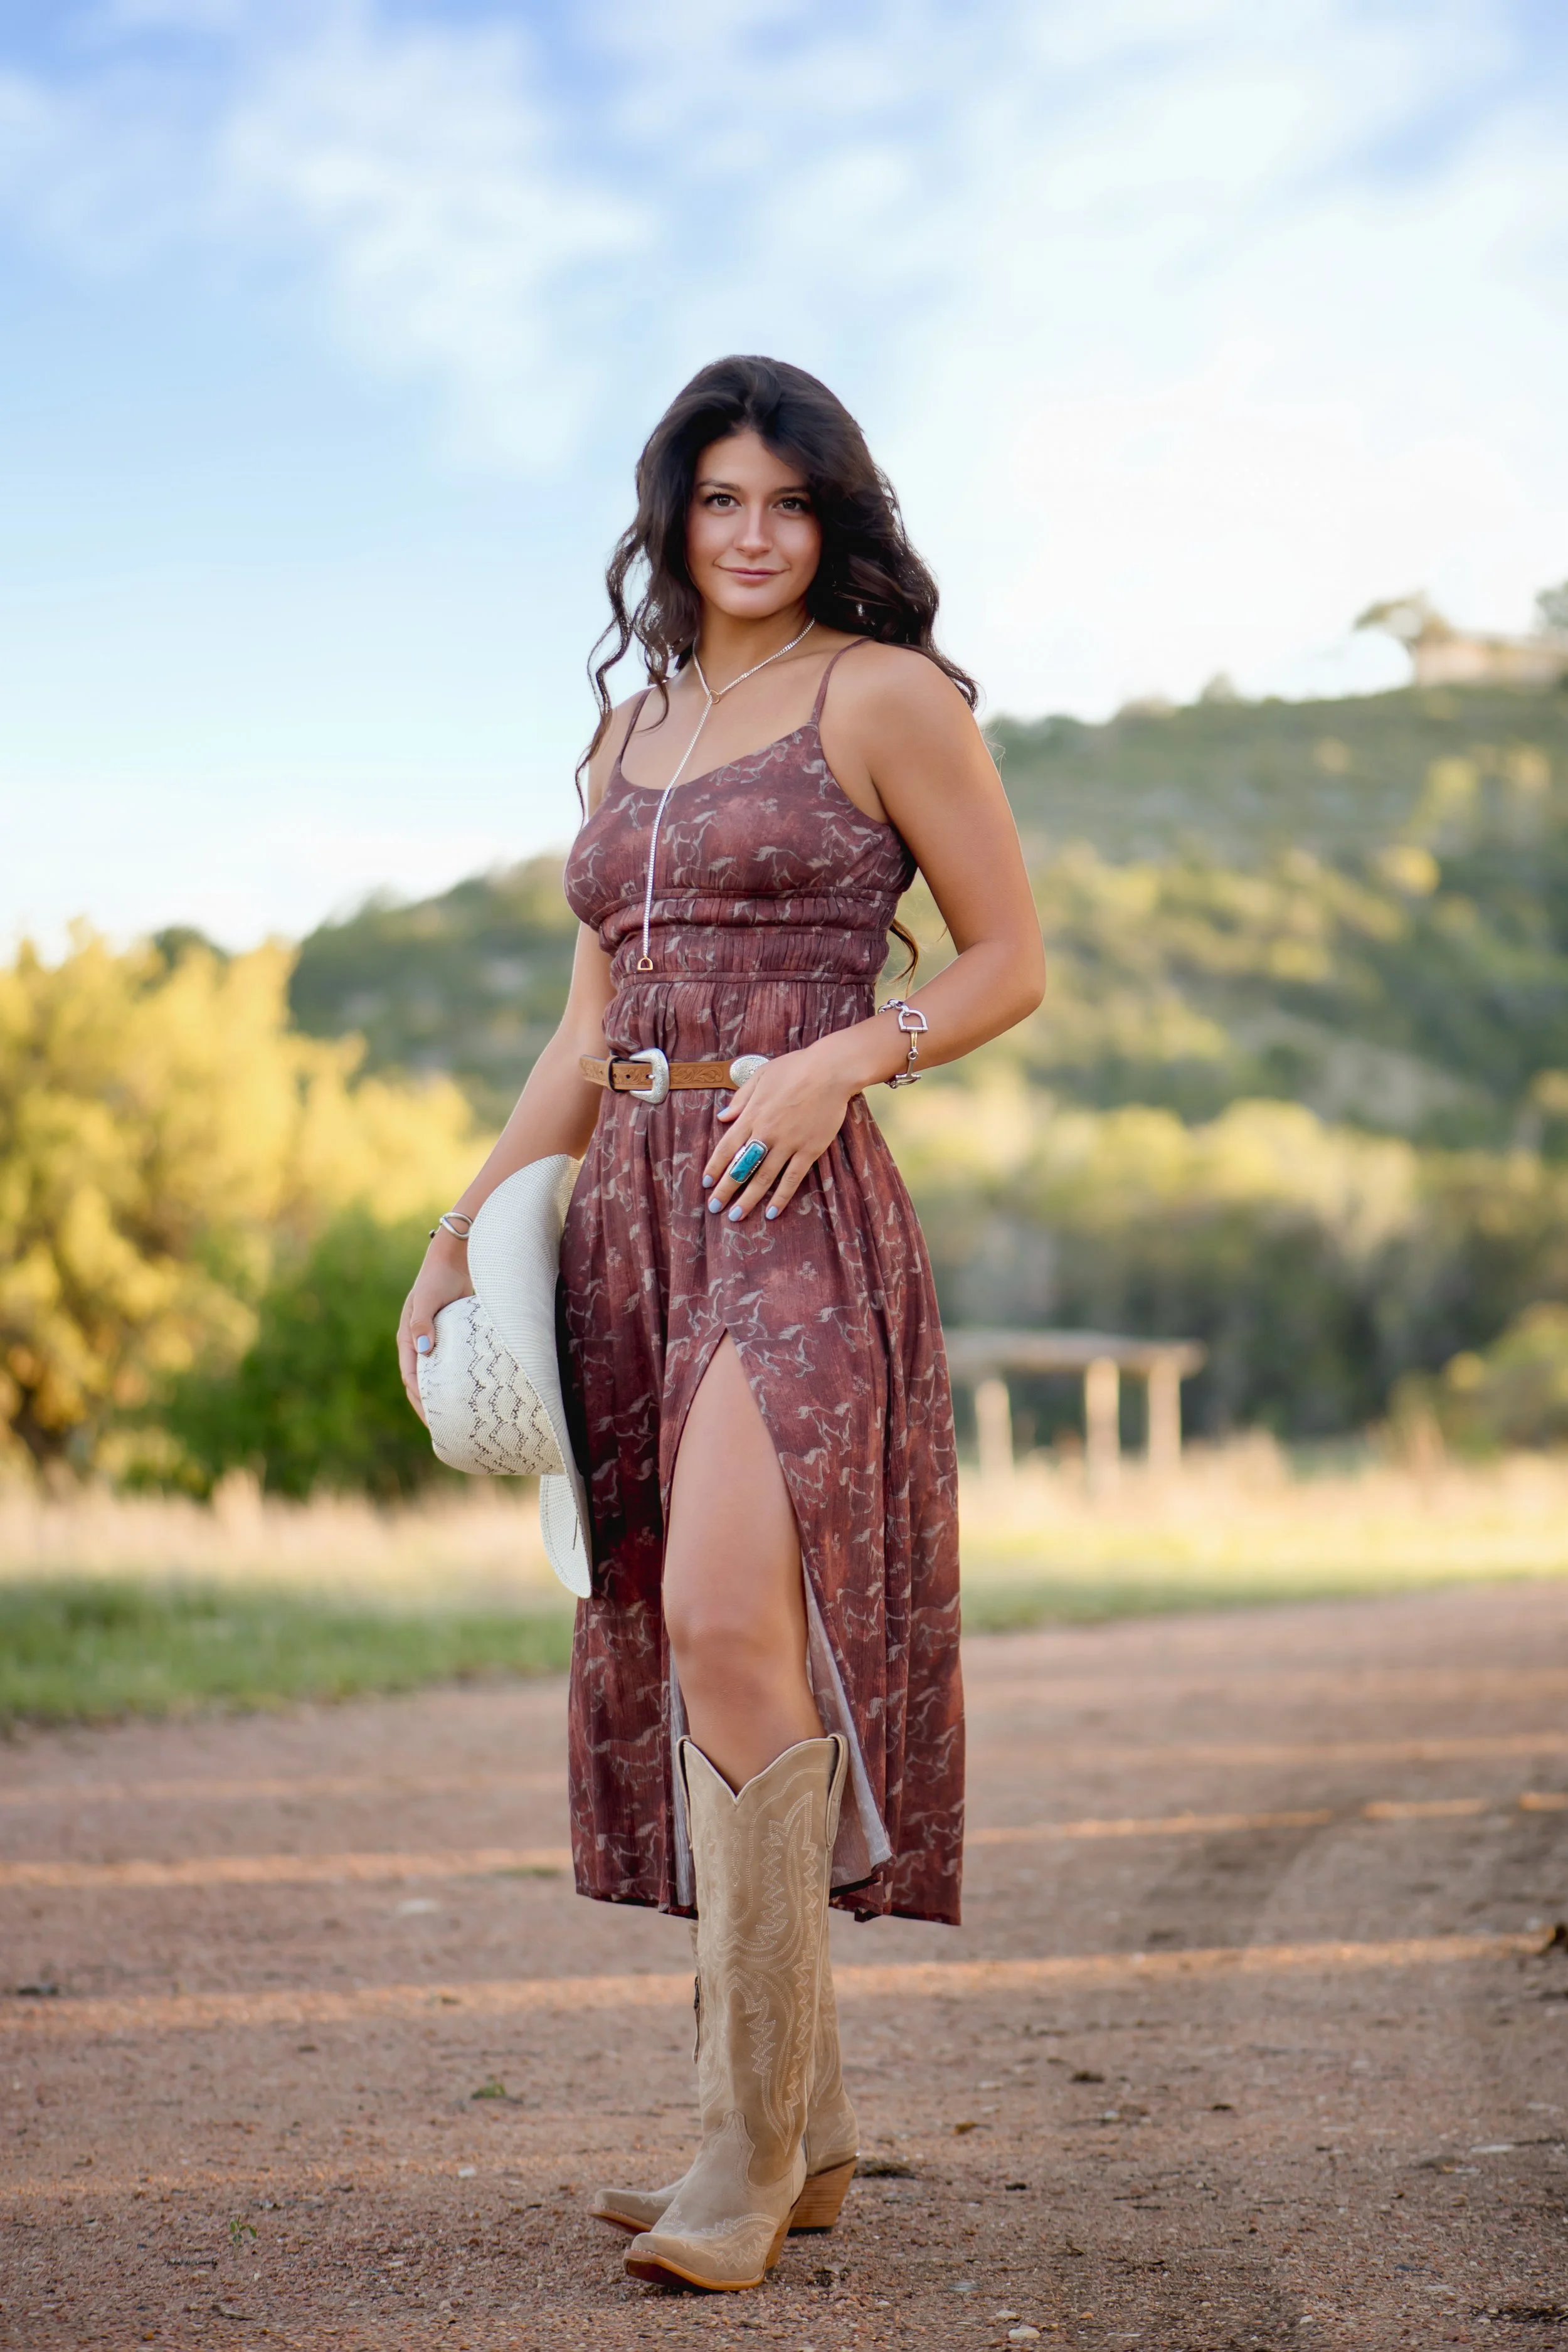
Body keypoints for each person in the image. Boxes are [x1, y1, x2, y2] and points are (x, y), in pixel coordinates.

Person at [397, 355, 1045, 2294]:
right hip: (628, 1219)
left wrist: (850, 1055)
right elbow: (583, 1036)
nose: (752, 534)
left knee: (728, 1617)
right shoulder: (629, 734)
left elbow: (1012, 955)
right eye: (718, 501)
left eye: (786, 500)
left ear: (832, 517)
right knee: (681, 1629)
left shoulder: (886, 693)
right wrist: (462, 1224)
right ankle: (811, 2130)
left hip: (794, 1201)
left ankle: (735, 2150)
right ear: (672, 519)